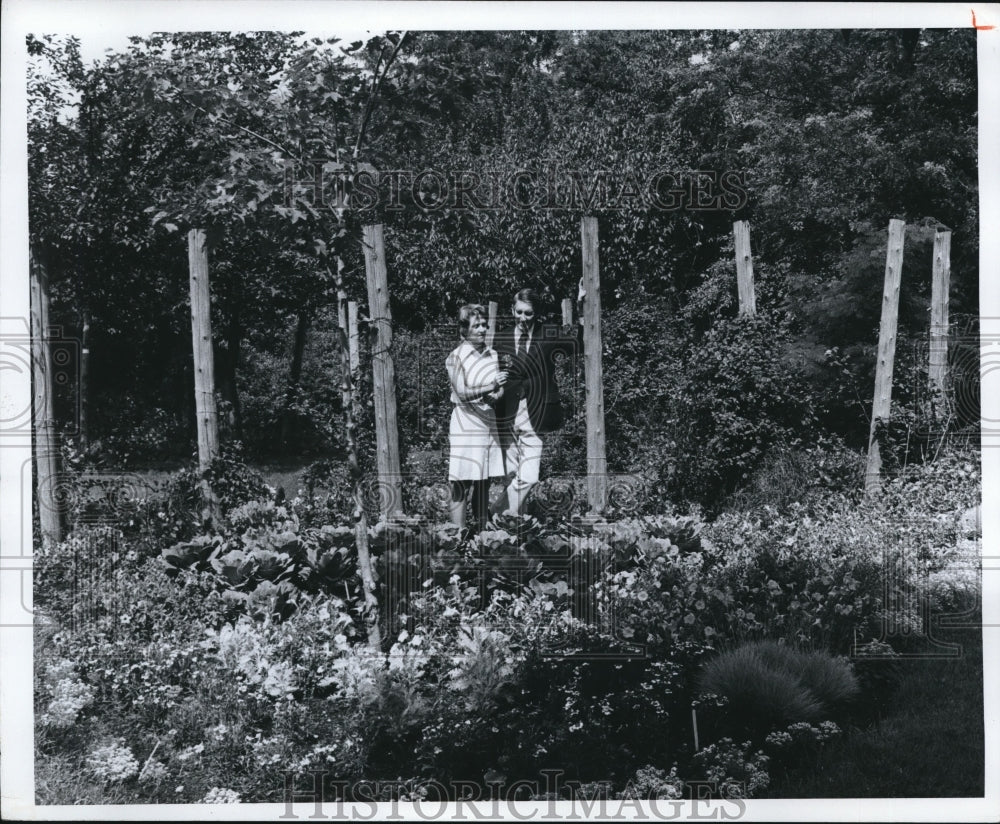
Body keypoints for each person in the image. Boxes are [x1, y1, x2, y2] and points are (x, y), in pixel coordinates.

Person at [491, 288, 576, 516]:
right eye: (519, 312)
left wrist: (581, 303)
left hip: (536, 412)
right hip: (505, 414)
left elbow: (578, 342)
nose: (523, 318)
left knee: (529, 476)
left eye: (528, 313)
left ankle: (498, 512)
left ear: (536, 313)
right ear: (512, 310)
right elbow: (488, 371)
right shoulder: (501, 338)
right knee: (511, 475)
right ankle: (514, 530)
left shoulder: (548, 334)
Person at [445, 304, 508, 530]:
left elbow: (499, 389)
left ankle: (481, 537)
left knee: (484, 481)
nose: (482, 329)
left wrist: (496, 395)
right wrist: (489, 386)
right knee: (461, 482)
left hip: (487, 423)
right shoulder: (455, 357)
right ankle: (458, 536)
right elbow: (461, 392)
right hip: (465, 422)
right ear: (464, 330)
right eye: (476, 325)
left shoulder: (492, 354)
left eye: (484, 325)